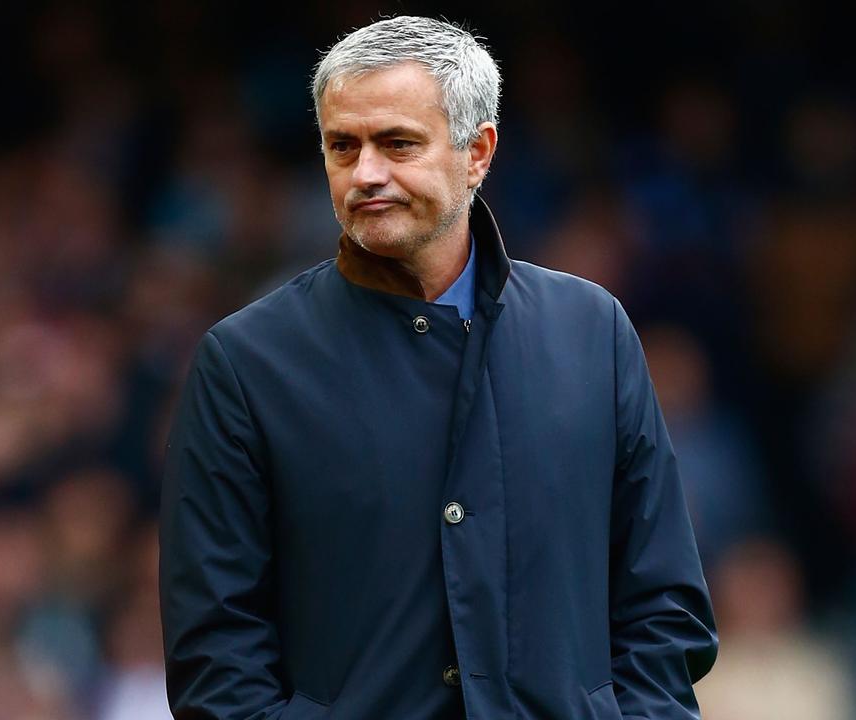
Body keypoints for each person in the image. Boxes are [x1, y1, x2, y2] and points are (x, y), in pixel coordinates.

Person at [159, 15, 716, 720]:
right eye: (342, 146)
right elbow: (216, 658)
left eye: (397, 144)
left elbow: (663, 606)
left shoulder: (591, 330)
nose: (366, 174)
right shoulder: (245, 363)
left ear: (477, 151)